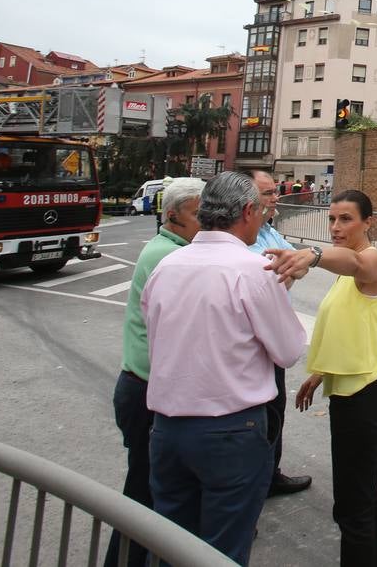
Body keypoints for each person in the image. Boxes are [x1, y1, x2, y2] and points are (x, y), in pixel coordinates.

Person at [141, 171, 306, 565]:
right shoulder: (252, 270)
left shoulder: (168, 265)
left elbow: (154, 334)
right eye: (262, 211)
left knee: (170, 544)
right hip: (229, 432)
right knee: (222, 550)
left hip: (167, 428)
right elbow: (288, 350)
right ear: (248, 211)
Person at [295, 190, 377, 567]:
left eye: (346, 219)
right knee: (362, 492)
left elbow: (357, 263)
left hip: (365, 393)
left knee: (352, 504)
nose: (336, 227)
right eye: (332, 219)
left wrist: (313, 254)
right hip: (351, 387)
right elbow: (353, 327)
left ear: (368, 222)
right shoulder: (345, 270)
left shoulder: (371, 259)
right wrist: (320, 372)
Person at [105, 177, 204, 567]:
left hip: (145, 388)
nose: (206, 223)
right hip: (145, 390)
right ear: (172, 215)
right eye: (198, 214)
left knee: (152, 487)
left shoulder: (174, 249)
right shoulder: (168, 256)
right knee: (144, 492)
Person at [245, 169, 312, 498]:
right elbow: (266, 284)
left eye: (275, 192)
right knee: (254, 419)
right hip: (252, 346)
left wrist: (292, 269)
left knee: (274, 410)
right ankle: (252, 484)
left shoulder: (269, 232)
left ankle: (270, 475)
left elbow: (299, 265)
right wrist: (288, 272)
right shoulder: (244, 240)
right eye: (267, 193)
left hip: (272, 344)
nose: (275, 198)